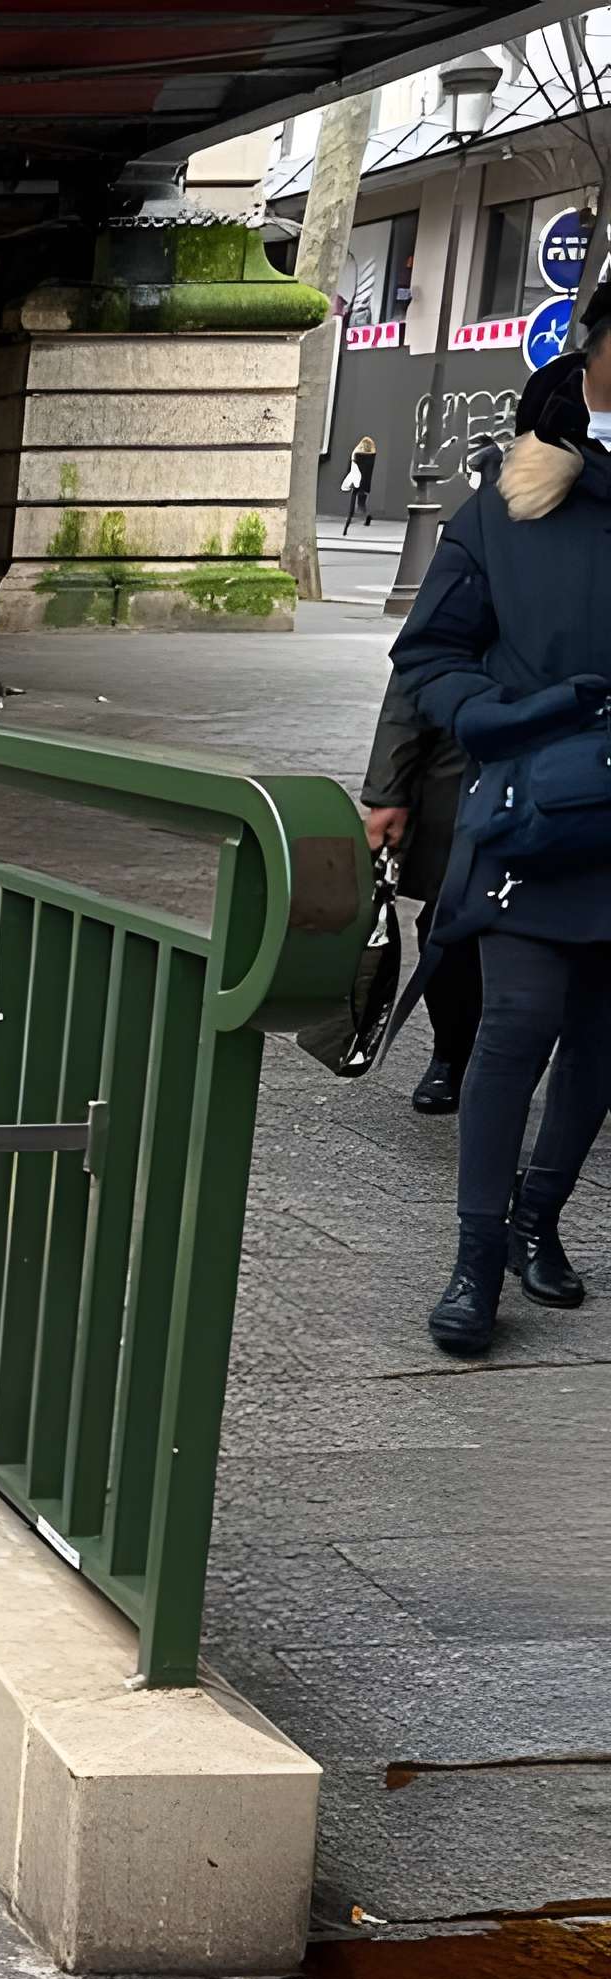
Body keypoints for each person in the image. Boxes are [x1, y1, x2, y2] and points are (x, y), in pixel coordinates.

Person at [387, 348, 611, 1356]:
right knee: (515, 1022)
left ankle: (538, 1217)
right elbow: (427, 652)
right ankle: (474, 1256)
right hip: (539, 814)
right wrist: (495, 718)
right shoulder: (504, 513)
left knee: (601, 1044)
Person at [361, 671, 483, 1112]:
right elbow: (417, 669)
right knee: (448, 926)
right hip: (469, 762)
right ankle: (453, 1052)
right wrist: (388, 790)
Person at [346, 435, 381, 531]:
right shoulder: (371, 457)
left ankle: (351, 516)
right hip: (366, 484)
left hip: (357, 482)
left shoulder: (358, 455)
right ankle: (366, 516)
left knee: (355, 502)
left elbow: (352, 466)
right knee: (362, 504)